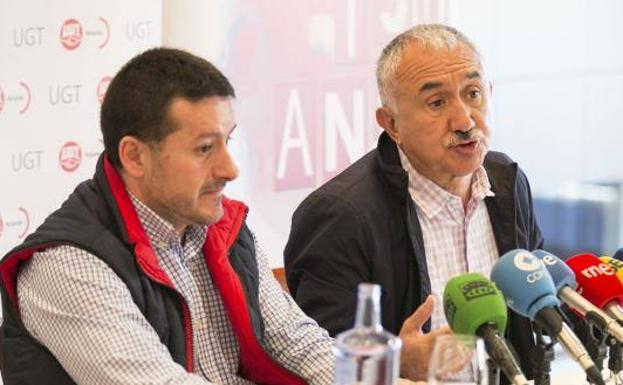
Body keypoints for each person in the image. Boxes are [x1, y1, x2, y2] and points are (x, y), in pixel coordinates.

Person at [0, 48, 337, 385]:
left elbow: (300, 344)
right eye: (205, 148)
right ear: (134, 157)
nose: (230, 169)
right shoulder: (67, 266)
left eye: (228, 140)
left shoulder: (221, 228)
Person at [284, 24, 543, 381]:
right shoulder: (339, 216)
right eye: (437, 102)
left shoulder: (507, 182)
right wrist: (396, 362)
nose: (465, 120)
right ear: (391, 123)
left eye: (473, 93)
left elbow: (537, 305)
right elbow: (314, 361)